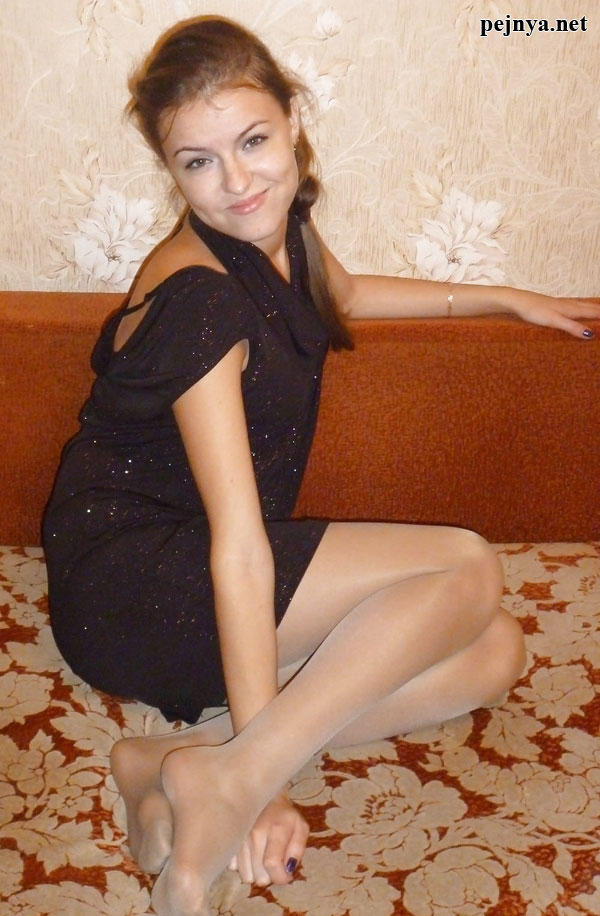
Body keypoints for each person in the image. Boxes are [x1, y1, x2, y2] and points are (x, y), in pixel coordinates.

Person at [42, 15, 599, 916]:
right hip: (133, 580)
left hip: (189, 566)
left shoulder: (279, 229)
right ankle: (238, 778)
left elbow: (343, 294)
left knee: (496, 652)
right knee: (467, 566)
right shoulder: (201, 302)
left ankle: (173, 761)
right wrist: (269, 787)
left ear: (293, 121)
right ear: (170, 170)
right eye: (199, 161)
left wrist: (503, 296)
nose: (237, 182)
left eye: (253, 142)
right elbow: (238, 548)